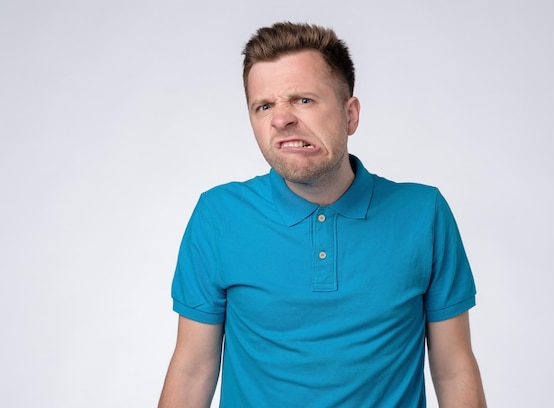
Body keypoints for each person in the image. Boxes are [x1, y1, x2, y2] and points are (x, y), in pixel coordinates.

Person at [158, 22, 487, 407]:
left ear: (350, 115)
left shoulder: (424, 213)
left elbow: (453, 369)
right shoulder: (218, 216)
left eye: (303, 100)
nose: (281, 119)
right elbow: (192, 369)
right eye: (264, 106)